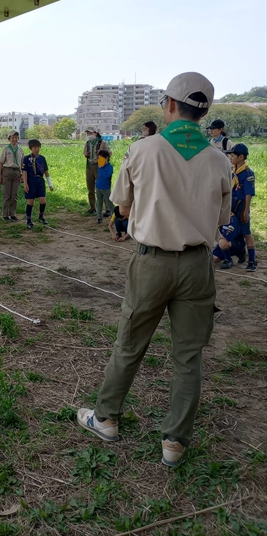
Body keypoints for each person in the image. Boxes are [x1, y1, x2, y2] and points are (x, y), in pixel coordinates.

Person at [76, 72, 232, 468]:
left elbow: (122, 207)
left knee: (129, 345)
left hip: (151, 262)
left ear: (169, 105)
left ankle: (107, 418)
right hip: (198, 265)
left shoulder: (143, 150)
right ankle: (174, 443)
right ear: (204, 112)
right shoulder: (218, 159)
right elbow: (222, 216)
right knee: (188, 357)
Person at [224, 143, 257, 272]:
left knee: (246, 233)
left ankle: (252, 261)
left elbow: (248, 194)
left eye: (233, 155)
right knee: (231, 232)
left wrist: (245, 211)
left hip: (242, 206)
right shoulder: (233, 171)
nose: (230, 158)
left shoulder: (247, 173)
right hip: (232, 206)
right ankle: (232, 256)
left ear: (241, 157)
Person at [22, 139, 53, 229]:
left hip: (40, 181)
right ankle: (28, 220)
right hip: (31, 180)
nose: (37, 149)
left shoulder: (42, 158)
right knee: (30, 201)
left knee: (43, 200)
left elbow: (46, 171)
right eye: (35, 147)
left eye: (38, 147)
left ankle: (41, 216)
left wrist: (50, 184)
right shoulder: (26, 159)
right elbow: (24, 172)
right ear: (31, 148)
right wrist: (25, 183)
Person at [83, 127, 112, 214]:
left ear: (95, 133)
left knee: (103, 187)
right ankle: (92, 207)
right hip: (89, 166)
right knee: (90, 188)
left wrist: (102, 153)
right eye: (88, 133)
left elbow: (110, 153)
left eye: (90, 133)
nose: (89, 135)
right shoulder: (87, 143)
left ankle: (108, 209)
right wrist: (86, 154)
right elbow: (84, 153)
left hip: (99, 166)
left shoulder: (102, 143)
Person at [0, 130, 24, 222]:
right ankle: (5, 215)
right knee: (6, 195)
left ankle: (12, 214)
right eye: (12, 137)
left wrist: (22, 175)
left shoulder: (20, 150)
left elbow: (22, 164)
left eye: (16, 137)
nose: (14, 139)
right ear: (9, 139)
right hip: (7, 172)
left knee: (14, 195)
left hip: (17, 172)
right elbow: (0, 163)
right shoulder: (6, 149)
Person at [95, 150, 115, 224]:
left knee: (109, 203)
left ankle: (115, 216)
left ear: (106, 158)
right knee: (99, 203)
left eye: (101, 158)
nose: (100, 160)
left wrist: (101, 168)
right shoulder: (99, 166)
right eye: (99, 158)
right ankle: (99, 217)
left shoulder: (109, 167)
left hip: (106, 188)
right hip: (98, 187)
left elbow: (106, 176)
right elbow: (99, 176)